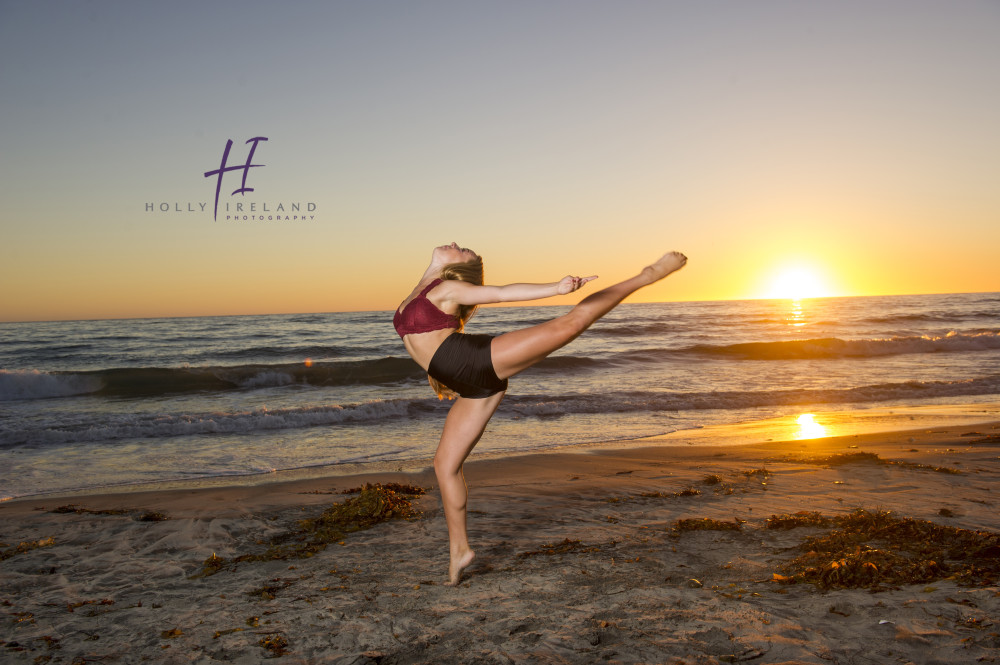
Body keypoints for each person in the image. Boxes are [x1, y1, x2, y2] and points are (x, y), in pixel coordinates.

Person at [394, 242, 687, 585]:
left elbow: (502, 293)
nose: (460, 245)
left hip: (474, 361)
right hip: (473, 384)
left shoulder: (447, 288)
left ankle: (647, 275)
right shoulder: (426, 285)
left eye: (465, 250)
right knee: (445, 467)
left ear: (460, 270)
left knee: (573, 321)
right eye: (464, 248)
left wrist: (556, 288)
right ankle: (459, 550)